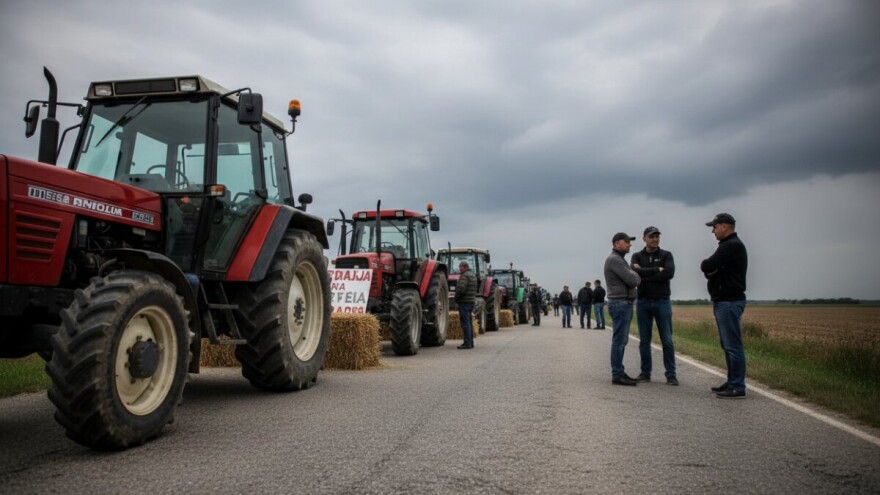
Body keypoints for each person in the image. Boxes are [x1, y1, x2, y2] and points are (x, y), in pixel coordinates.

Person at [701, 213, 748, 398]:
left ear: (725, 227)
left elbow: (706, 265)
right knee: (727, 344)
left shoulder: (731, 246)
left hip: (729, 301)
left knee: (732, 345)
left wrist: (713, 269)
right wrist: (714, 270)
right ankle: (732, 381)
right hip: (724, 300)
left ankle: (737, 385)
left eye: (714, 227)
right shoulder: (728, 246)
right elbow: (710, 270)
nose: (713, 231)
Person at [631, 226, 678, 386]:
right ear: (644, 238)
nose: (655, 239)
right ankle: (645, 373)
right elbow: (635, 273)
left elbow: (669, 273)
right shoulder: (636, 256)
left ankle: (671, 374)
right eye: (651, 236)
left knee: (667, 340)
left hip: (662, 301)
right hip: (643, 301)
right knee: (644, 340)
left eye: (657, 236)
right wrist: (656, 271)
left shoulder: (666, 255)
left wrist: (645, 275)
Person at [604, 232, 641, 386]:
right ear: (616, 243)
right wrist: (636, 272)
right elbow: (633, 280)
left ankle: (619, 371)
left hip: (622, 303)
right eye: (626, 242)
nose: (629, 244)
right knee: (619, 340)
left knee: (620, 340)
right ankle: (617, 373)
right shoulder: (615, 260)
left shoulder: (619, 260)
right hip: (620, 303)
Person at [455, 261, 478, 349]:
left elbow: (461, 288)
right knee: (469, 323)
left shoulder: (465, 276)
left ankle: (467, 343)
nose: (459, 269)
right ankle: (471, 342)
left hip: (464, 302)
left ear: (464, 267)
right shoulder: (473, 275)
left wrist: (456, 298)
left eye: (460, 267)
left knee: (465, 323)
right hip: (471, 301)